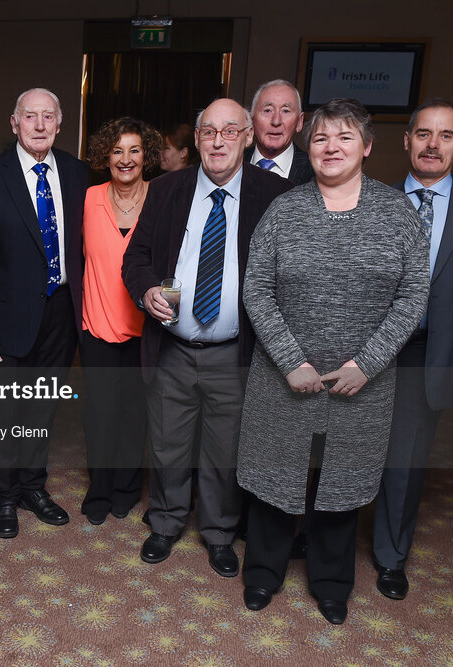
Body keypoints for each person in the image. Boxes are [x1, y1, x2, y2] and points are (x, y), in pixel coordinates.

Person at [237, 98, 429, 625]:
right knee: (277, 476)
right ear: (309, 147)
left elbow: (414, 296)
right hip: (285, 376)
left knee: (341, 485)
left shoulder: (396, 214)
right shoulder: (285, 210)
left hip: (360, 382)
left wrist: (366, 364)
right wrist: (289, 359)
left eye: (345, 138)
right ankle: (263, 575)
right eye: (321, 138)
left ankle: (330, 583)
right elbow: (256, 289)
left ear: (366, 147)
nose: (331, 147)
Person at [121, 98, 291, 574]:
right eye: (209, 132)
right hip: (173, 347)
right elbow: (135, 259)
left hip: (235, 353)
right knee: (167, 443)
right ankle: (167, 521)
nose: (218, 141)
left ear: (248, 137)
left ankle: (218, 533)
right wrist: (146, 290)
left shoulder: (273, 193)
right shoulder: (167, 189)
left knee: (224, 448)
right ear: (196, 140)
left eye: (230, 131)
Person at [372, 98, 453, 600]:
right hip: (364, 351)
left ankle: (390, 556)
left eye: (445, 135)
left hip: (429, 353)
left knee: (404, 460)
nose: (433, 144)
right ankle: (322, 535)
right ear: (406, 141)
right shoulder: (371, 200)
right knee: (339, 446)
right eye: (423, 134)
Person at [0, 87, 89, 538]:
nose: (39, 125)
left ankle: (32, 487)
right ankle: (2, 496)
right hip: (8, 316)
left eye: (48, 117)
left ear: (59, 125)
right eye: (30, 117)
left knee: (43, 408)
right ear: (14, 123)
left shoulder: (80, 174)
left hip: (61, 312)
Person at [79, 116, 162, 524]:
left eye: (134, 150)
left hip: (147, 332)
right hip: (96, 327)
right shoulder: (89, 197)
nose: (125, 158)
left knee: (135, 416)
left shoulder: (163, 198)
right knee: (100, 415)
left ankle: (127, 489)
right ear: (105, 156)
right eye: (117, 150)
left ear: (146, 156)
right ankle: (100, 489)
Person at [245, 79, 314, 185]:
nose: (276, 121)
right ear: (252, 120)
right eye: (267, 110)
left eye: (286, 111)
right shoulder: (234, 163)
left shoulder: (315, 170)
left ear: (299, 122)